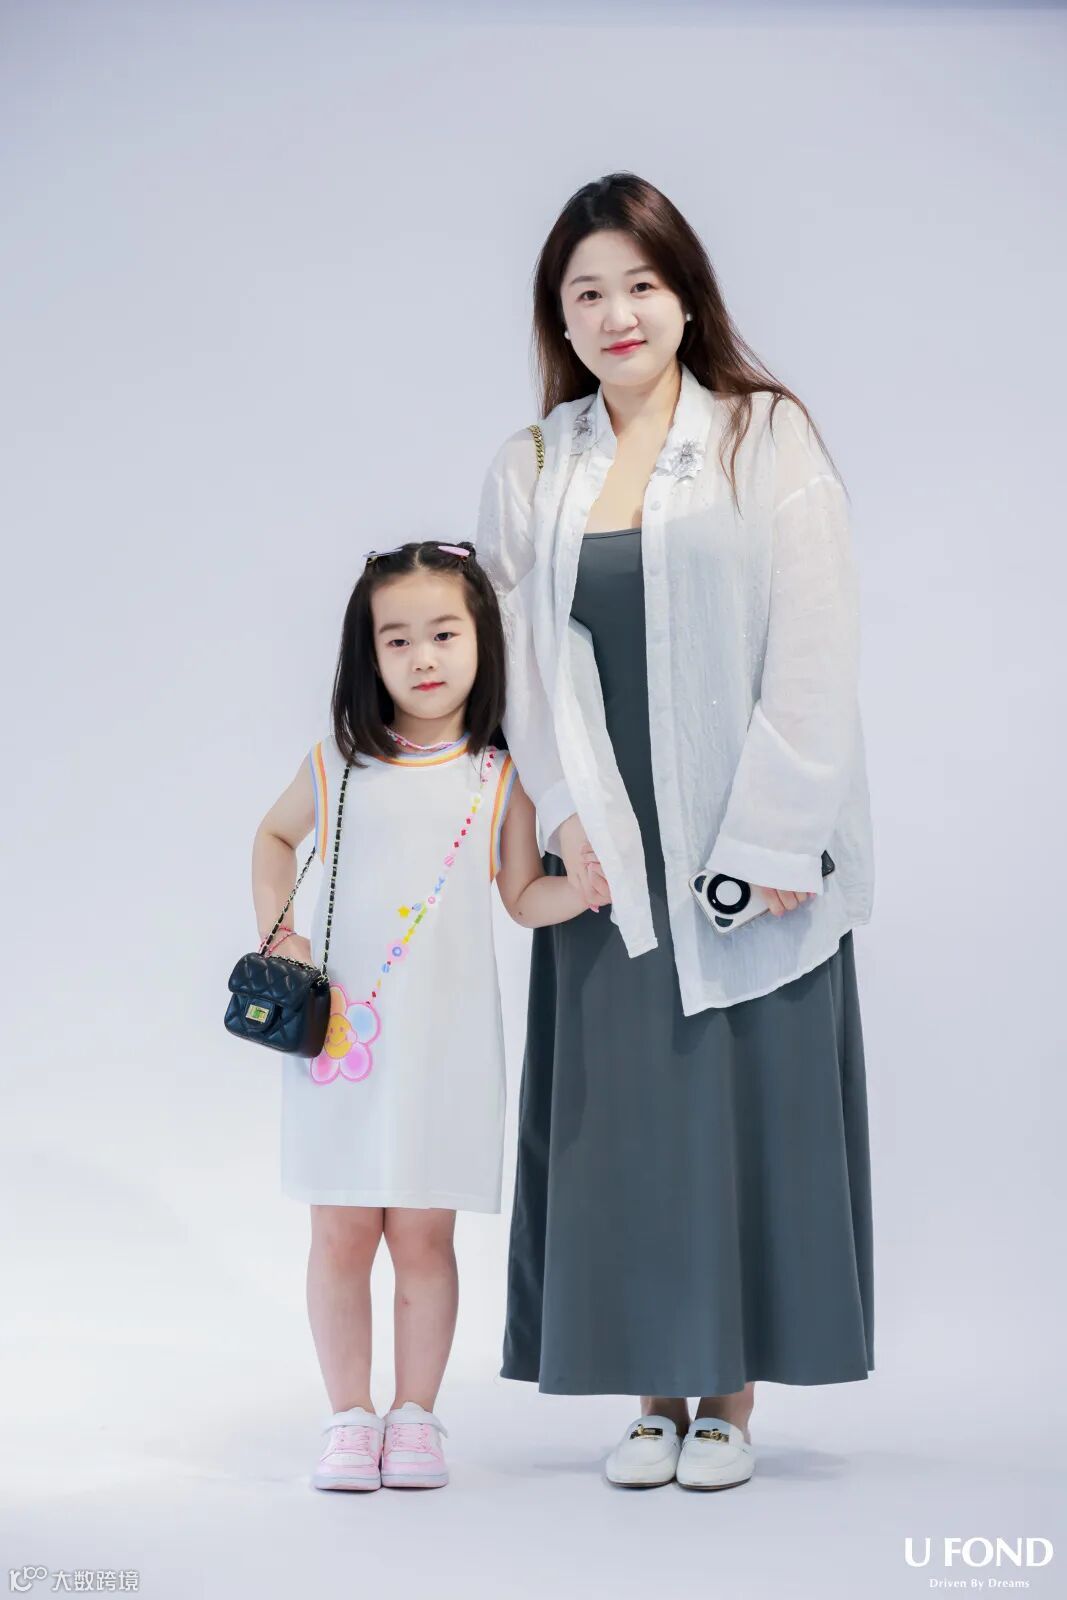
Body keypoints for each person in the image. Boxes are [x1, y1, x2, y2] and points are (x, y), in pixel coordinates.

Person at [476, 173, 876, 1492]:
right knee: (632, 1122)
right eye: (585, 292)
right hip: (607, 849)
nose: (617, 314)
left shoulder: (762, 436)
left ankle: (730, 1400)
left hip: (743, 841)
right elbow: (513, 665)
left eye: (639, 284)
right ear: (559, 318)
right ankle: (652, 1394)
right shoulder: (533, 466)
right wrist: (560, 828)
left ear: (685, 294)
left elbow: (813, 640)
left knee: (742, 1108)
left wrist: (773, 838)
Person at [249, 540, 591, 1493]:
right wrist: (281, 933)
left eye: (443, 633)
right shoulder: (338, 765)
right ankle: (348, 1417)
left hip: (445, 1048)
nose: (422, 656)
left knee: (423, 1242)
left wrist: (585, 887)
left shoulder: (499, 775)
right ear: (368, 655)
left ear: (482, 640)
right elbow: (273, 836)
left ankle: (415, 1418)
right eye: (395, 639)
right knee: (339, 1236)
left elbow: (522, 896)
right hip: (340, 1043)